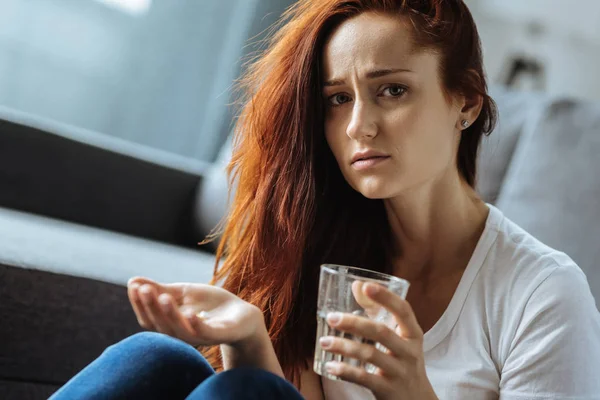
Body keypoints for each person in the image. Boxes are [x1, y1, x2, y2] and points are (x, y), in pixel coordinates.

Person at [50, 0, 600, 399]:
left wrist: (412, 396)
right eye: (338, 99)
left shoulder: (545, 294)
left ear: (467, 102)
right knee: (157, 357)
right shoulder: (332, 242)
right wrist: (248, 338)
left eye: (392, 90)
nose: (359, 126)